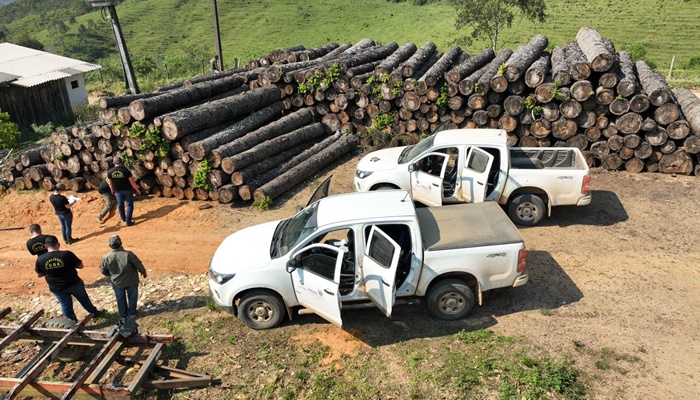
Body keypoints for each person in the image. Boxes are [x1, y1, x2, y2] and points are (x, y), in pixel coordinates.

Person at [35, 235, 101, 322]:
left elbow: (39, 275)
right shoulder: (67, 254)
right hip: (74, 283)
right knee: (84, 299)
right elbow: (80, 266)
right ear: (58, 244)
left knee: (65, 305)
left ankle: (71, 323)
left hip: (56, 287)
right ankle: (94, 313)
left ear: (46, 246)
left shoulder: (40, 259)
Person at [99, 235, 147, 321]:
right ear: (121, 243)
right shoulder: (128, 254)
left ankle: (123, 315)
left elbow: (103, 270)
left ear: (110, 246)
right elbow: (138, 264)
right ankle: (132, 313)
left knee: (120, 298)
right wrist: (143, 272)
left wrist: (110, 276)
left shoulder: (105, 257)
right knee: (132, 296)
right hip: (131, 280)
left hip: (116, 282)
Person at [107, 157, 141, 226]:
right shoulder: (126, 171)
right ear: (121, 162)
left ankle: (123, 218)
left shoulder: (110, 172)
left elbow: (110, 183)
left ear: (114, 163)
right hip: (127, 190)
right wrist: (137, 190)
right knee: (129, 205)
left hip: (117, 191)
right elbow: (132, 182)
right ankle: (128, 221)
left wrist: (112, 190)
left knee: (120, 205)